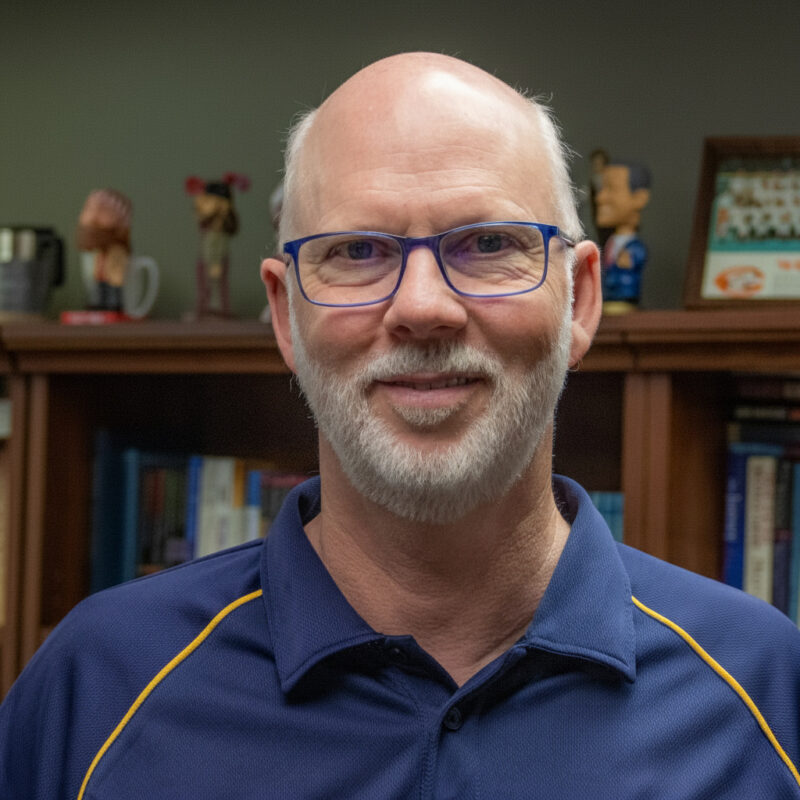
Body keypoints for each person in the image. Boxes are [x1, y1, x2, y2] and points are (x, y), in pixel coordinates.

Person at [2, 53, 799, 799]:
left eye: (490, 243)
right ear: (284, 314)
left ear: (580, 300)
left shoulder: (765, 692)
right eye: (356, 251)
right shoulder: (97, 687)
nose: (422, 307)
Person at [595, 160, 651, 313]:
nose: (600, 197)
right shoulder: (610, 243)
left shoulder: (634, 247)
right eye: (601, 189)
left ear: (639, 198)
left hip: (625, 297)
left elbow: (638, 255)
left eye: (611, 188)